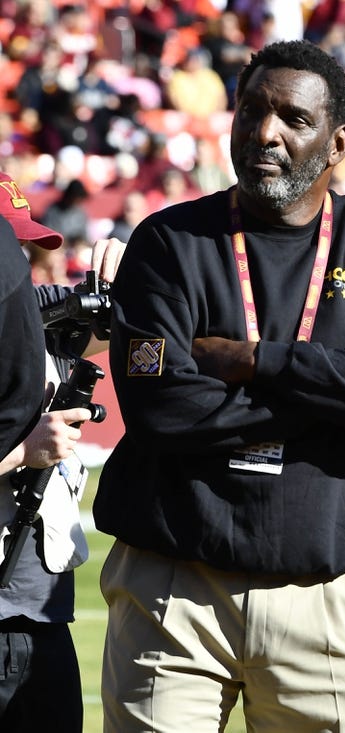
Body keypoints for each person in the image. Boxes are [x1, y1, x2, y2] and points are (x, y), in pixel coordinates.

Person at [91, 40, 345, 732]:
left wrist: (260, 362)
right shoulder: (168, 242)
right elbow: (165, 411)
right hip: (175, 588)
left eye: (292, 118)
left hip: (325, 597)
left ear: (337, 141)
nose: (265, 132)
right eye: (252, 109)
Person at [0, 169, 126, 733]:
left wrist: (130, 267)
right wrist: (24, 451)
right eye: (14, 248)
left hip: (44, 608)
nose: (21, 269)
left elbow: (115, 318)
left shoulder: (38, 313)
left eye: (25, 252)